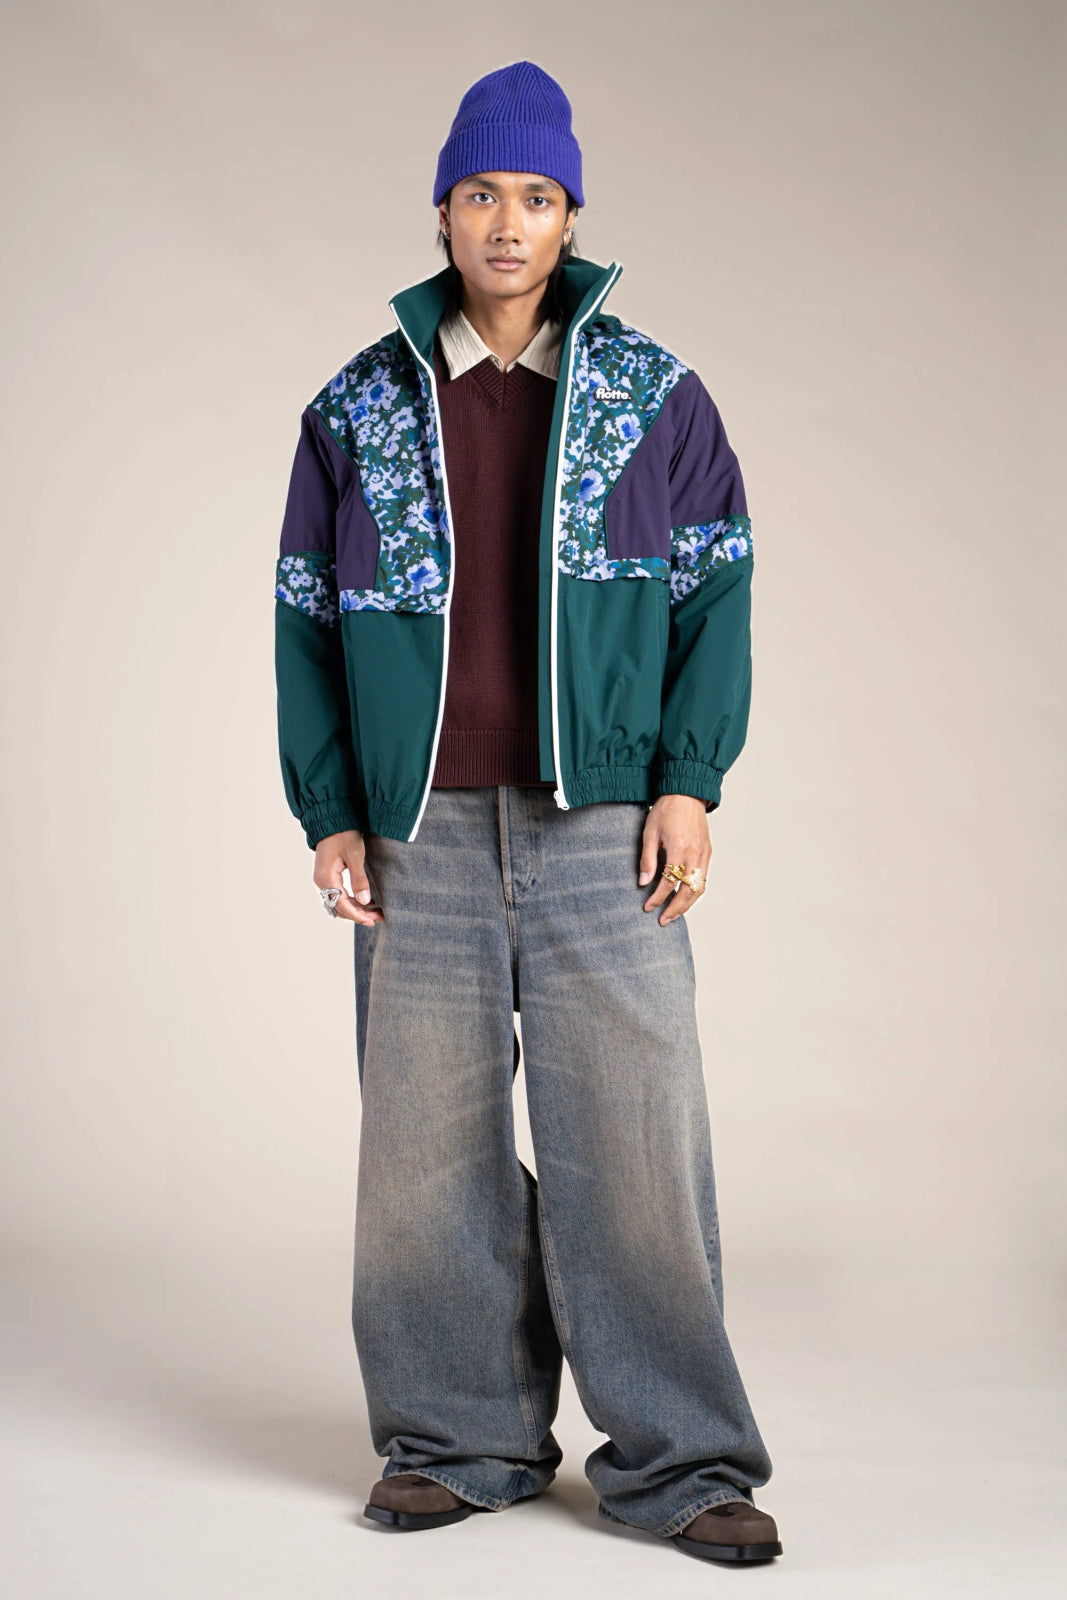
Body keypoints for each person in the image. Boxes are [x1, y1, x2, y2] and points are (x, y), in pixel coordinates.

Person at [273, 58, 783, 1567]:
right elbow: (305, 617)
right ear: (443, 211)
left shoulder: (652, 395)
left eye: (539, 197)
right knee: (423, 1162)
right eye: (483, 194)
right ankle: (457, 1441)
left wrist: (687, 780)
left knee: (635, 1149)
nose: (509, 222)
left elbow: (718, 591)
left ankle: (683, 1460)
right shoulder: (358, 406)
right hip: (416, 835)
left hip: (599, 830)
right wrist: (331, 807)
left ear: (572, 218)